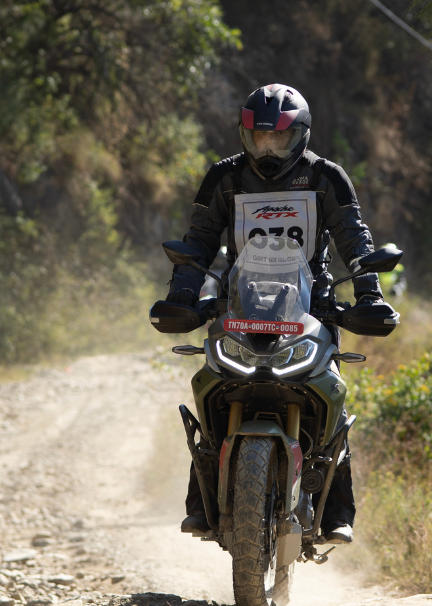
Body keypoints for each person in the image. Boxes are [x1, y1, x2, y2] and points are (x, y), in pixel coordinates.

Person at [165, 84, 392, 546]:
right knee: (212, 385)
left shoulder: (326, 177)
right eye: (259, 139)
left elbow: (355, 241)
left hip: (312, 306)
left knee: (333, 400)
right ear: (245, 136)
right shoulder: (224, 178)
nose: (268, 149)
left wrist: (369, 295)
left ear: (301, 136)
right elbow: (199, 242)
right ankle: (199, 502)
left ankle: (335, 512)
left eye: (279, 140)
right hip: (240, 303)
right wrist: (183, 294)